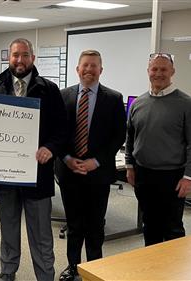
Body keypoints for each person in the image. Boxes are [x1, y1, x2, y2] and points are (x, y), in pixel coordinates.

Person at [0, 38, 68, 281]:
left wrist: (50, 148)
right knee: (9, 230)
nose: (19, 60)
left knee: (41, 234)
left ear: (32, 58)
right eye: (15, 55)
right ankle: (7, 273)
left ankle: (45, 276)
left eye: (24, 55)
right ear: (9, 58)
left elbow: (62, 131)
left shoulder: (49, 90)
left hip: (38, 175)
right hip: (6, 176)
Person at [54, 50, 126, 281]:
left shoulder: (114, 98)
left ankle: (96, 269)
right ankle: (73, 266)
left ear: (100, 70)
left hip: (98, 173)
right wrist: (66, 158)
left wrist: (96, 161)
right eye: (85, 65)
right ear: (78, 69)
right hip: (69, 171)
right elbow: (56, 134)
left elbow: (118, 136)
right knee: (74, 224)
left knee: (96, 224)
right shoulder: (63, 96)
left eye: (94, 66)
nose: (89, 69)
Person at [126, 53, 191, 246]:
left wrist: (190, 177)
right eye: (154, 69)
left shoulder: (188, 104)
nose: (158, 73)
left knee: (172, 228)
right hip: (143, 175)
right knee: (149, 225)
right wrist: (129, 166)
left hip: (173, 177)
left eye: (163, 69)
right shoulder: (138, 103)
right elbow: (130, 137)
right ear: (148, 71)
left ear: (172, 71)